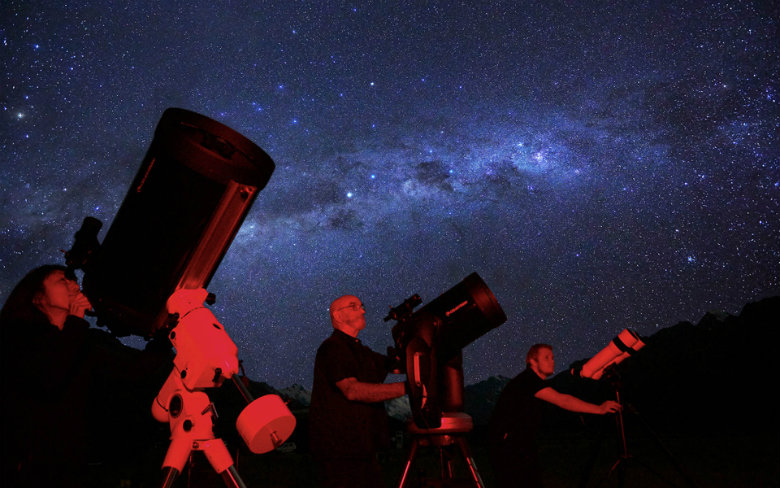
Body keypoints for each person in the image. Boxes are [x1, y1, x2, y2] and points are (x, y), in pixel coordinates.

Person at [0, 265, 172, 487]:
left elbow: (135, 370)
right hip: (28, 469)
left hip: (75, 469)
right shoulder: (18, 338)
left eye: (73, 280)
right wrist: (75, 321)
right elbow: (48, 377)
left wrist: (164, 337)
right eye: (62, 281)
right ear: (38, 298)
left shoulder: (86, 339)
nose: (74, 285)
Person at [488, 343, 621, 488]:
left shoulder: (533, 381)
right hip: (509, 448)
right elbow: (563, 400)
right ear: (533, 362)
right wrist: (600, 409)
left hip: (519, 446)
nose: (552, 361)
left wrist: (575, 374)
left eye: (552, 357)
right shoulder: (528, 380)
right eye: (546, 358)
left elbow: (557, 388)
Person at [308, 295, 407, 488]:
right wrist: (407, 388)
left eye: (361, 306)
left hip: (363, 449)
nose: (362, 311)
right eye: (354, 306)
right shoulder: (332, 348)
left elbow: (396, 365)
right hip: (340, 453)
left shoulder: (362, 352)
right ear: (337, 315)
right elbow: (352, 390)